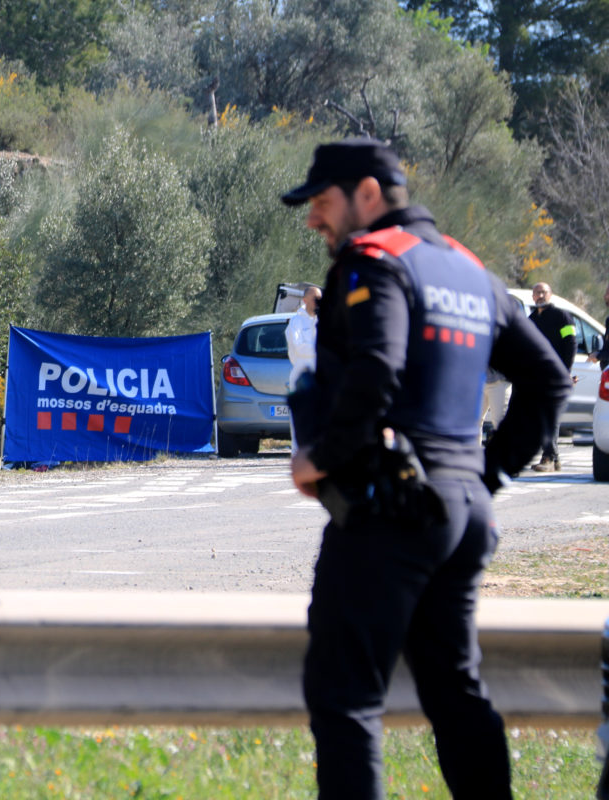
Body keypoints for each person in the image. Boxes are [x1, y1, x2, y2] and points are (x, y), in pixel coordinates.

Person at [282, 138, 570, 800]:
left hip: (391, 514)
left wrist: (318, 459)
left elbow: (379, 368)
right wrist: (480, 476)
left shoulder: (374, 260)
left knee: (346, 698)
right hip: (461, 516)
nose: (313, 220)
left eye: (322, 202)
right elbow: (549, 382)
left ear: (368, 196)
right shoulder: (468, 269)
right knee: (456, 694)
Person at [528, 281, 576, 472]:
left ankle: (548, 458)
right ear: (532, 296)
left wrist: (565, 372)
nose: (540, 295)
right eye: (537, 292)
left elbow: (571, 344)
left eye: (543, 292)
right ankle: (554, 458)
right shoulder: (531, 319)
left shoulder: (561, 316)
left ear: (551, 294)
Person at [285, 286, 321, 452]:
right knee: (299, 419)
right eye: (315, 298)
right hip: (301, 375)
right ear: (305, 300)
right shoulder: (296, 321)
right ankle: (298, 455)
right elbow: (298, 349)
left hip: (322, 376)